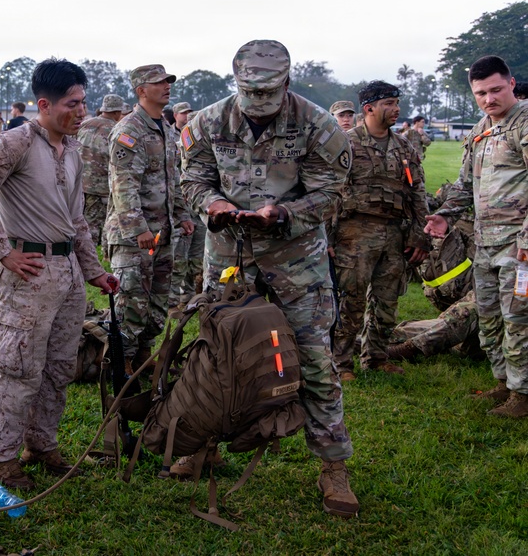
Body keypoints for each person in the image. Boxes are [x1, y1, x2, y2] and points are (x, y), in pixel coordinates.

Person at [180, 39, 358, 517]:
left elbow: (331, 189)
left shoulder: (318, 125)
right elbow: (192, 178)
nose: (258, 103)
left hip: (295, 262)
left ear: (285, 83)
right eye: (249, 92)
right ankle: (201, 445)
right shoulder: (207, 122)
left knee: (315, 360)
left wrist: (282, 213)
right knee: (216, 356)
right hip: (228, 258)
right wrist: (212, 205)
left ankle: (333, 466)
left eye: (267, 93)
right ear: (236, 81)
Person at [0, 58, 117, 490]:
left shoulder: (73, 150)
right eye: (73, 103)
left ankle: (42, 445)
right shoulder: (13, 144)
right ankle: (0, 457)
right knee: (18, 367)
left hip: (67, 275)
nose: (81, 112)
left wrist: (94, 271)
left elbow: (77, 221)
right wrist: (1, 253)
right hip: (29, 274)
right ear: (43, 104)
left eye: (84, 102)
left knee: (59, 367)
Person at [426, 55, 528, 419]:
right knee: (489, 319)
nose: (489, 99)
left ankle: (522, 395)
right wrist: (443, 214)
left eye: (496, 90)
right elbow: (464, 185)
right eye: (481, 93)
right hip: (485, 245)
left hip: (519, 248)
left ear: (511, 84)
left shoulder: (524, 123)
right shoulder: (480, 130)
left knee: (519, 321)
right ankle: (502, 382)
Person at [331, 81, 429, 379]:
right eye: (388, 103)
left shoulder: (404, 146)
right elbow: (327, 192)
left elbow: (417, 193)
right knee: (351, 300)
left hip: (394, 234)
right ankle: (341, 362)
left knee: (387, 301)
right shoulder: (345, 143)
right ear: (369, 108)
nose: (395, 109)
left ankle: (376, 356)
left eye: (396, 103)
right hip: (354, 233)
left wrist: (419, 235)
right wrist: (325, 236)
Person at [105, 65, 193, 370]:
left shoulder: (166, 129)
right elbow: (123, 183)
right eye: (159, 83)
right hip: (136, 238)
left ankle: (143, 358)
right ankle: (121, 365)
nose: (167, 87)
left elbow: (173, 179)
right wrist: (137, 227)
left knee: (157, 304)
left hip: (163, 233)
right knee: (132, 302)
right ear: (142, 90)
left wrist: (182, 214)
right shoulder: (130, 130)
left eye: (168, 81)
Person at [167, 102, 206, 306]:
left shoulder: (208, 149)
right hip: (182, 206)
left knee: (197, 257)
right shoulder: (172, 142)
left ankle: (190, 296)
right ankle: (173, 300)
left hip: (200, 209)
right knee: (179, 256)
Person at [77, 93, 127, 250]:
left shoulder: (85, 124)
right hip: (101, 187)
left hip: (78, 183)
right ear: (118, 112)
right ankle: (93, 257)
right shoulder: (118, 129)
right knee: (99, 224)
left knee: (80, 220)